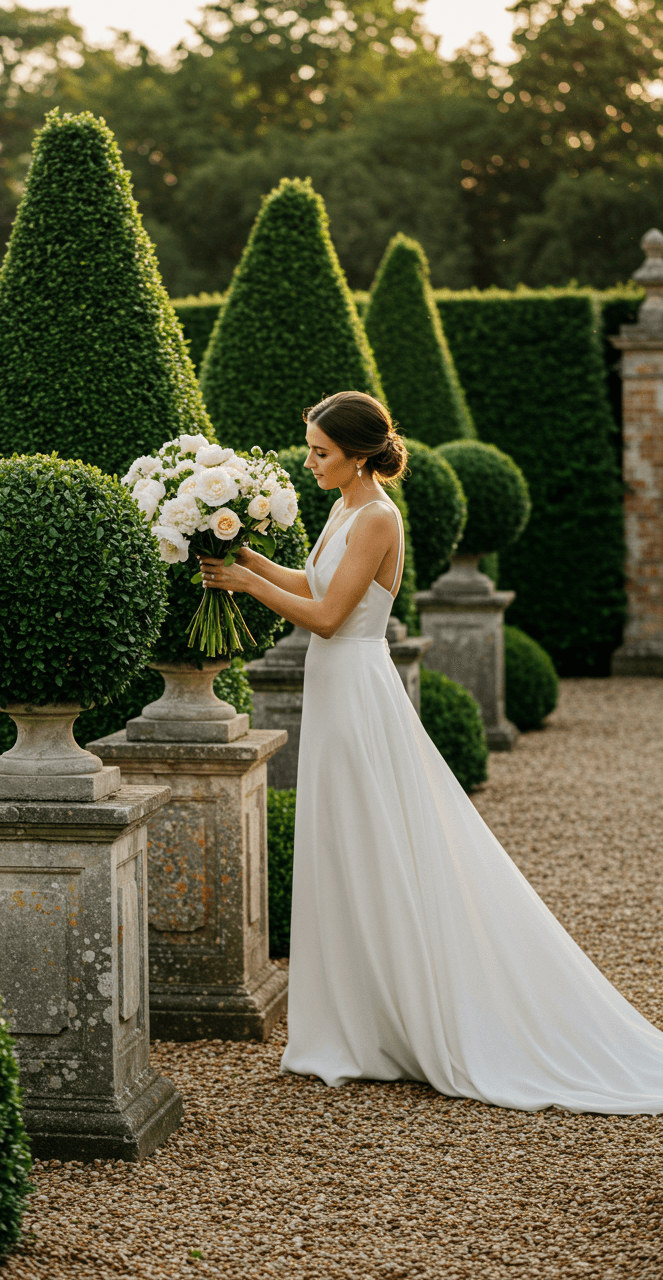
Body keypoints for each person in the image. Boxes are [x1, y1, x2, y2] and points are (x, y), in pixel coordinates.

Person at [197, 389, 663, 1114]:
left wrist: (246, 584)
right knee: (344, 848)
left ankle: (396, 1020)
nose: (312, 461)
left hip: (355, 694)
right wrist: (242, 552)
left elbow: (325, 617)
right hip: (336, 691)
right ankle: (357, 1022)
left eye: (321, 451)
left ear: (356, 455)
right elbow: (312, 582)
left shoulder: (380, 517)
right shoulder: (345, 505)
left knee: (370, 845)